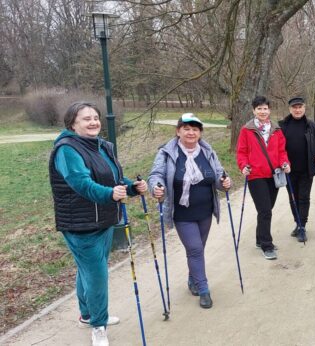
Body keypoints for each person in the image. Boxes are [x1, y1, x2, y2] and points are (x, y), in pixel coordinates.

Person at [49, 101, 148, 346]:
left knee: (90, 270)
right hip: (80, 225)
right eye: (86, 118)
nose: (93, 122)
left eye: (95, 117)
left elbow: (113, 178)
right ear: (73, 123)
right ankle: (98, 326)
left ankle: (87, 315)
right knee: (97, 276)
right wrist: (109, 195)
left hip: (103, 219)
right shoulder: (67, 150)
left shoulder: (102, 146)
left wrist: (132, 188)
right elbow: (81, 183)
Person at [148, 113, 231, 309]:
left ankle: (193, 279)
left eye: (195, 129)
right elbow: (156, 175)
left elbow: (219, 175)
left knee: (197, 250)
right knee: (194, 249)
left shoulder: (207, 151)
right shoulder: (166, 153)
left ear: (200, 133)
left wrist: (225, 183)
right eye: (186, 128)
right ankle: (203, 289)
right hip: (182, 213)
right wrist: (156, 187)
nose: (191, 132)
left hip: (205, 211)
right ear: (178, 131)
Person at [236, 96, 291, 259]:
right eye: (259, 108)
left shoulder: (277, 130)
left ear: (269, 110)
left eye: (265, 108)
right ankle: (267, 245)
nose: (262, 111)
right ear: (254, 110)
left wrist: (285, 163)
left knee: (267, 209)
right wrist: (243, 165)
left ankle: (260, 238)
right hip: (256, 175)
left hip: (274, 174)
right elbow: (241, 152)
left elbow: (282, 152)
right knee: (265, 210)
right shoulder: (246, 130)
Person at [279, 96, 315, 243]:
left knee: (304, 198)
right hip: (288, 170)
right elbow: (277, 147)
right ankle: (298, 222)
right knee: (293, 199)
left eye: (300, 107)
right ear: (290, 109)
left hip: (307, 169)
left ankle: (302, 226)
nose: (297, 110)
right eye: (295, 107)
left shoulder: (311, 126)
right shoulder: (282, 126)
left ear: (304, 108)